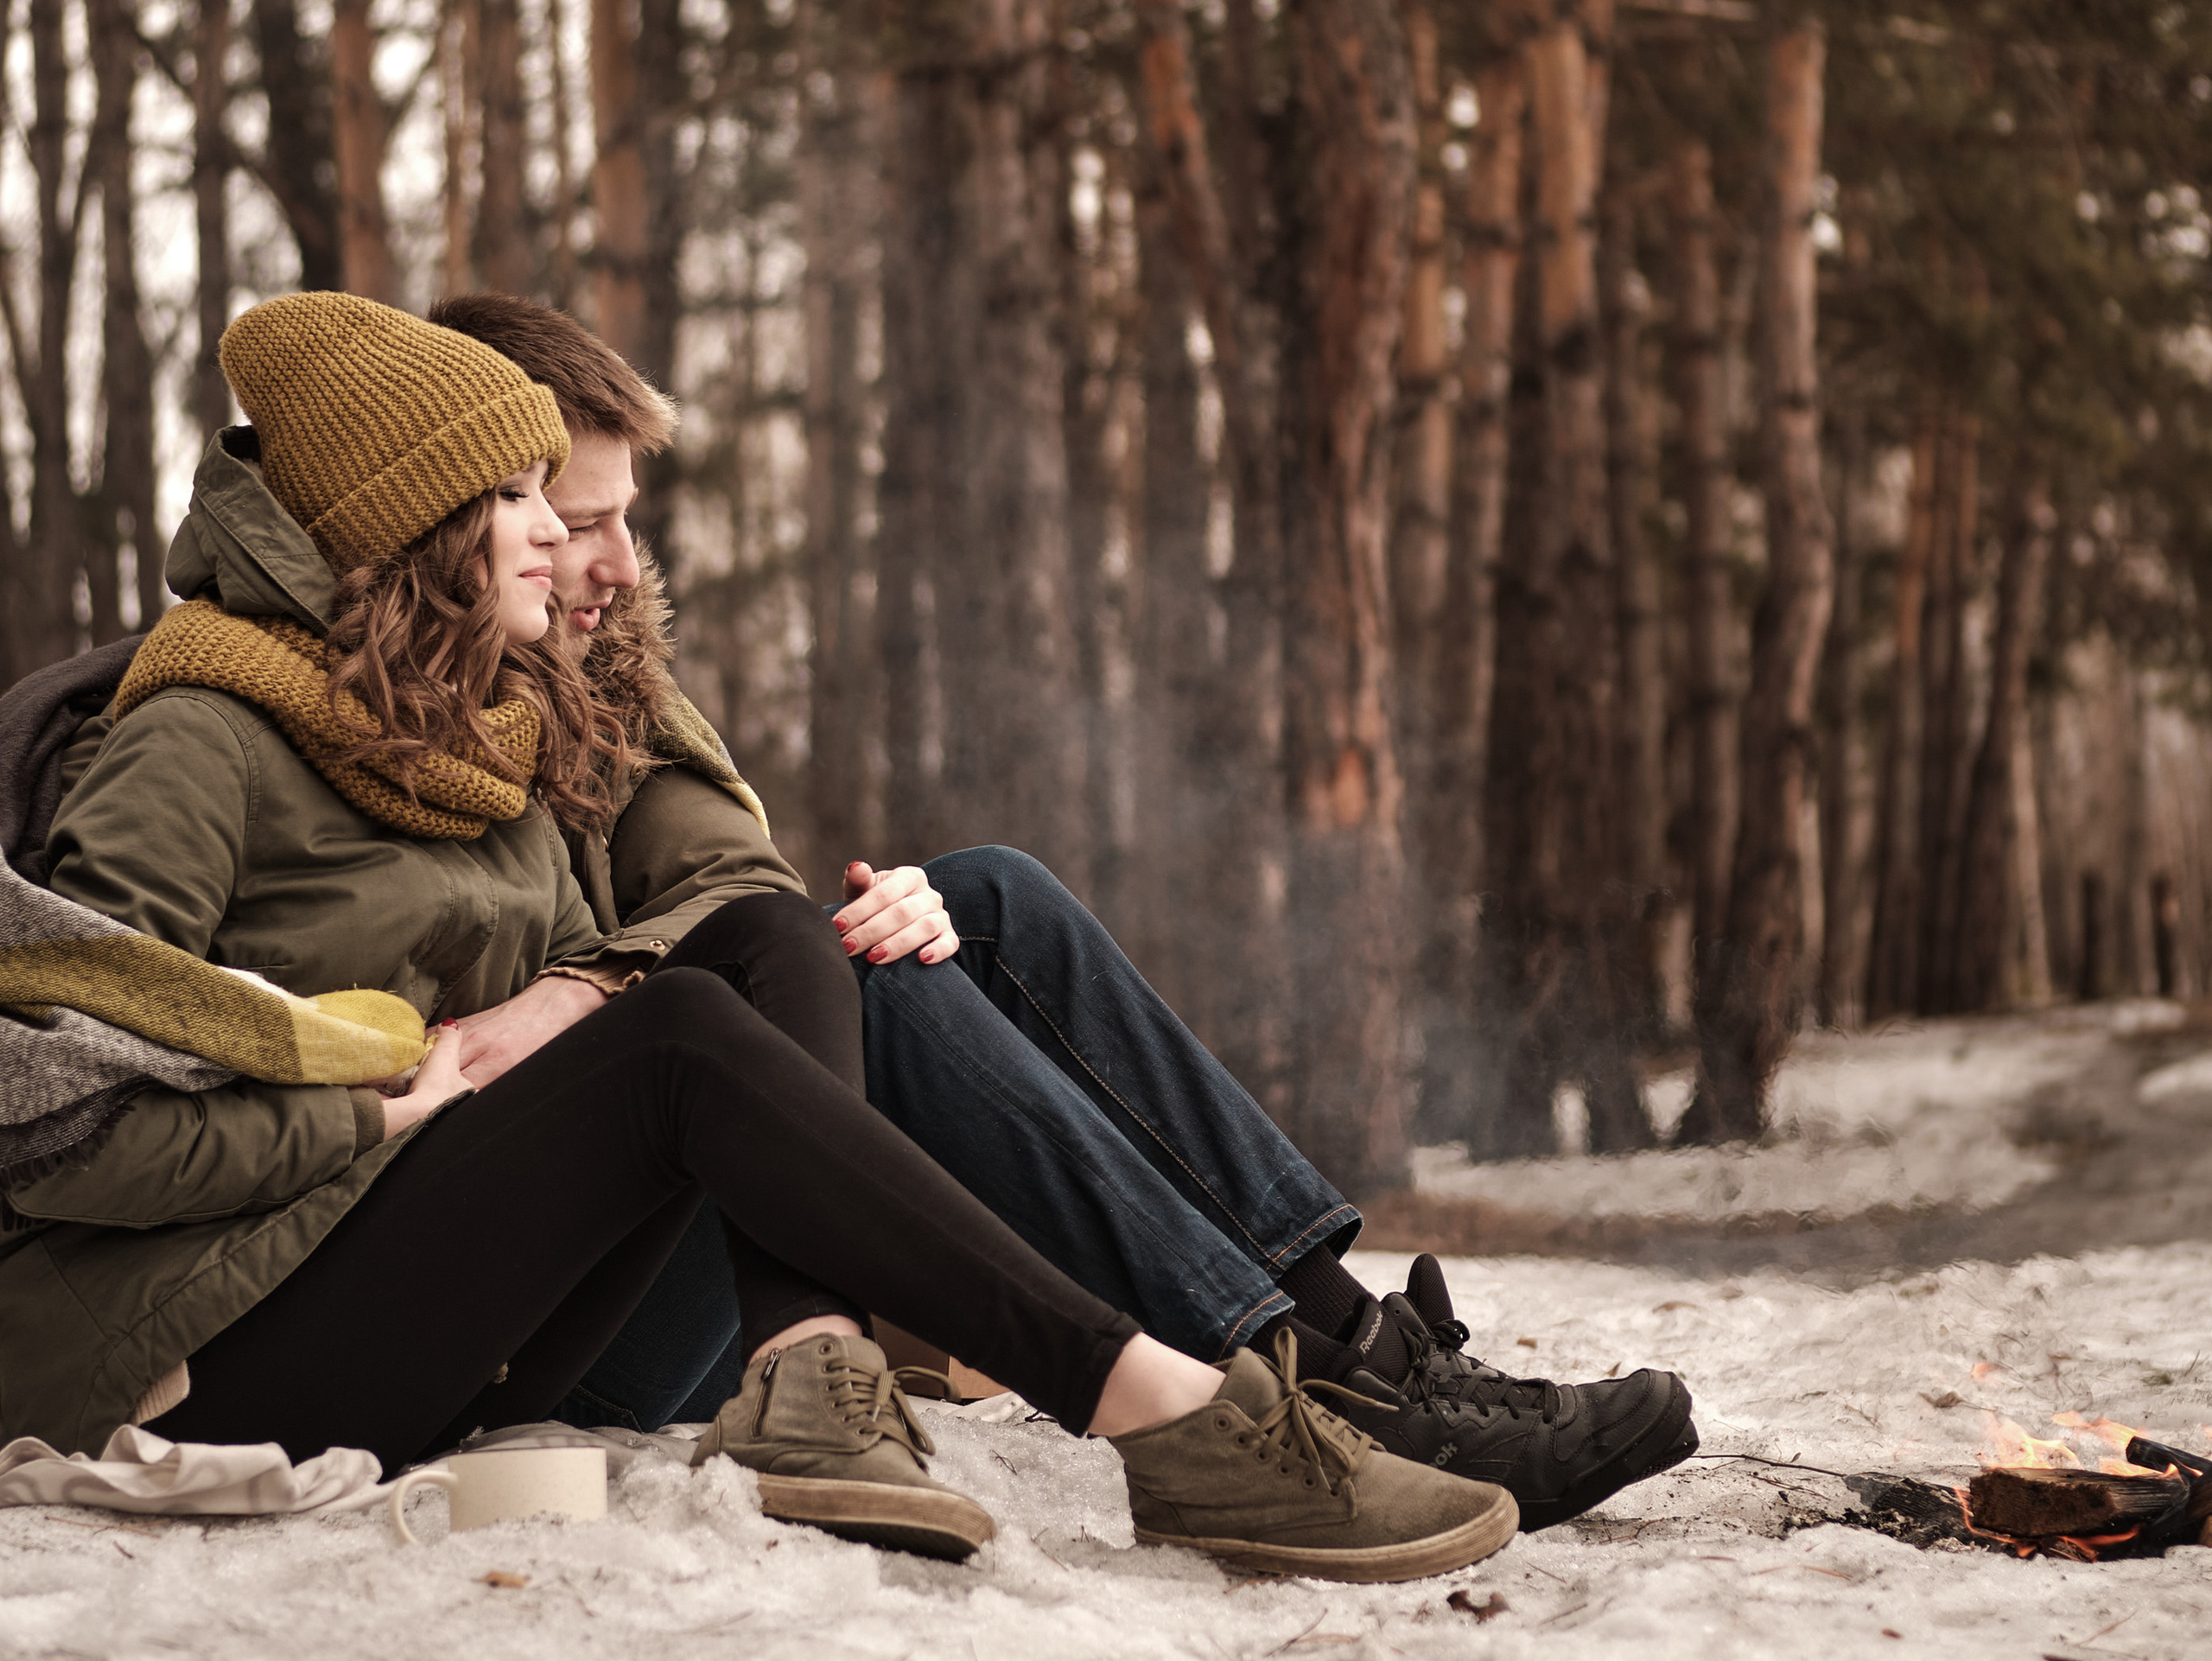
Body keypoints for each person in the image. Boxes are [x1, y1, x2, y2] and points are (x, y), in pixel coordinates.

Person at [8, 290, 1519, 1586]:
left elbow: (732, 888)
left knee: (782, 941)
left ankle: (831, 1369)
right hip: (204, 1363)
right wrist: (351, 1111)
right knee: (683, 1037)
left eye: (579, 505)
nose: (573, 543)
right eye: (532, 502)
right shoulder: (194, 744)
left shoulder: (481, 737)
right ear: (417, 520)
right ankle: (1176, 1417)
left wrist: (570, 1001)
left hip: (441, 1297)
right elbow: (54, 1130)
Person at [426, 294, 1697, 1531]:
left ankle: (1352, 1349)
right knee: (863, 977)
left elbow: (734, 885)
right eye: (569, 519)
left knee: (980, 896)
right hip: (556, 1326)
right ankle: (1275, 1396)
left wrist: (880, 917)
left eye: (618, 518)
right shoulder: (385, 719)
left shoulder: (595, 687)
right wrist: (617, 989)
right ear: (466, 513)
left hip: (684, 1244)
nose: (608, 562)